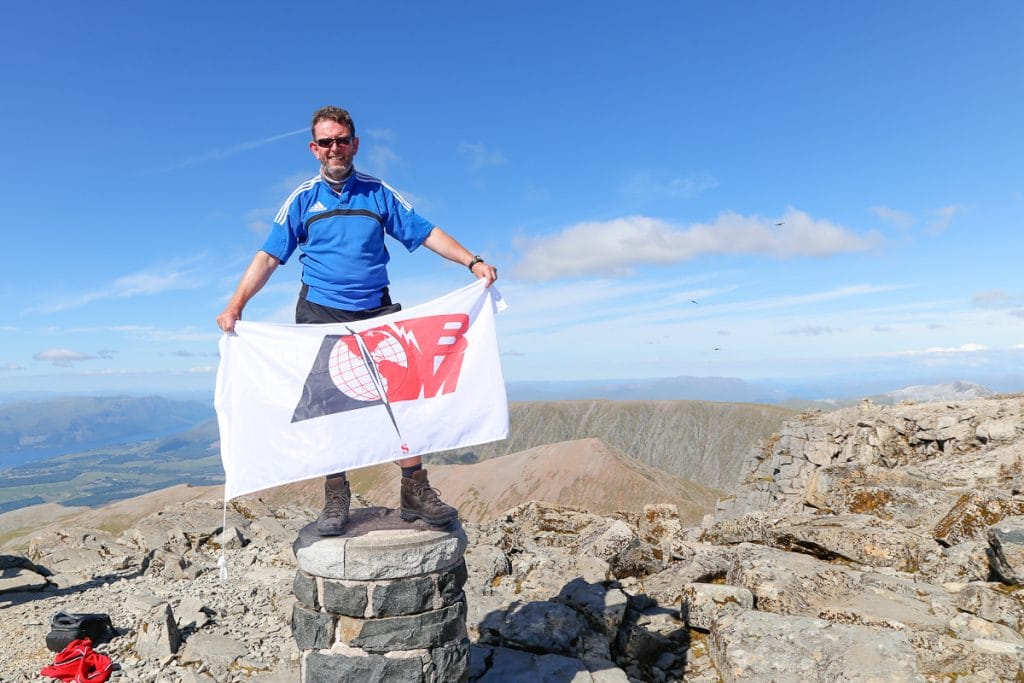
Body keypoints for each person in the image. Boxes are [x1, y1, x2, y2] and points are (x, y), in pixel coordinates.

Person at [216, 105, 497, 536]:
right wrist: (236, 305)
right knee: (329, 411)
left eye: (342, 140)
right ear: (314, 149)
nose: (335, 148)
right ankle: (335, 497)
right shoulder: (302, 199)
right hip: (322, 313)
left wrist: (471, 261)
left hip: (375, 309)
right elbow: (270, 255)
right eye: (326, 142)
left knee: (402, 401)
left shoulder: (378, 192)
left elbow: (424, 232)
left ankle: (414, 490)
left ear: (355, 144)